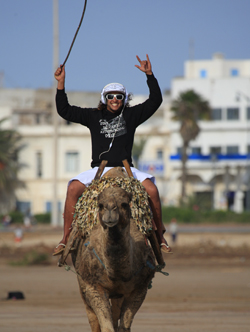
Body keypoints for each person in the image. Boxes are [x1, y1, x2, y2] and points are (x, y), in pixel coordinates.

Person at [53, 54, 171, 256]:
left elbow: (155, 100)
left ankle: (159, 236)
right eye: (110, 96)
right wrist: (61, 83)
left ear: (123, 99)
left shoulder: (131, 115)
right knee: (73, 188)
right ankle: (66, 238)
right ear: (104, 99)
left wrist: (149, 75)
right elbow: (64, 111)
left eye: (119, 96)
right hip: (99, 170)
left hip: (125, 169)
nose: (115, 100)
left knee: (151, 189)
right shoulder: (93, 116)